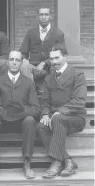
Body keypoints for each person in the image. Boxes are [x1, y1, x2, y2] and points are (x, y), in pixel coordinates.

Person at [0, 51, 40, 180]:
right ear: (7, 62)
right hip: (2, 121)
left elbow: (36, 108)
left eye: (17, 60)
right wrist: (7, 114)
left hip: (22, 122)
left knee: (30, 120)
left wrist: (21, 113)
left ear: (22, 63)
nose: (14, 62)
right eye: (11, 59)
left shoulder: (28, 82)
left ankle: (27, 162)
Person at [37, 47, 86, 179]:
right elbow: (45, 101)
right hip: (55, 117)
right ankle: (68, 161)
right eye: (51, 59)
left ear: (65, 57)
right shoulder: (49, 78)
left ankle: (56, 162)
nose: (54, 62)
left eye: (57, 58)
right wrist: (45, 114)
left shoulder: (77, 74)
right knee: (41, 126)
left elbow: (80, 100)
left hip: (75, 118)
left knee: (57, 119)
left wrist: (60, 112)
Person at [19, 7, 65, 93]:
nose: (44, 17)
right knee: (23, 66)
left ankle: (50, 91)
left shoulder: (58, 34)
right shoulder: (31, 32)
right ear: (37, 17)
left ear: (50, 16)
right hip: (33, 67)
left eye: (46, 14)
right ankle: (31, 92)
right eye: (41, 15)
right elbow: (23, 51)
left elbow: (60, 53)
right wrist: (24, 60)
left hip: (49, 68)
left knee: (58, 64)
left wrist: (45, 63)